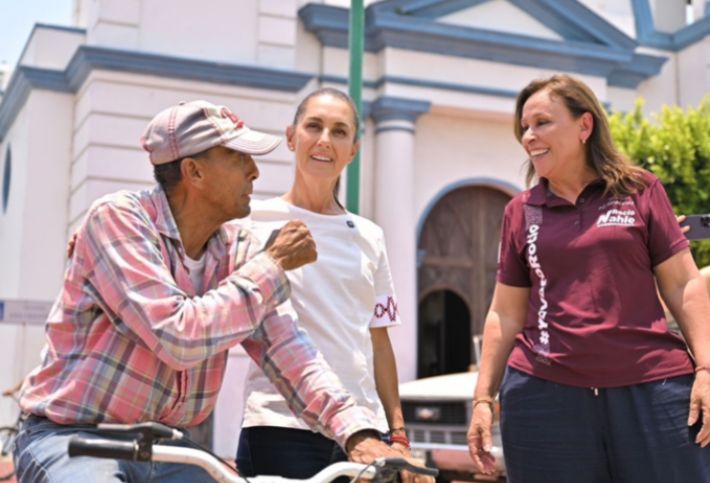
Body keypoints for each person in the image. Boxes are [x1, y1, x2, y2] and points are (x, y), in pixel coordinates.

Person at [12, 100, 404, 482]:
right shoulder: (119, 220)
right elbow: (176, 336)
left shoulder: (239, 249)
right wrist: (272, 265)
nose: (254, 172)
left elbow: (291, 352)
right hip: (75, 437)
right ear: (194, 172)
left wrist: (359, 434)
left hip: (168, 447)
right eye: (239, 158)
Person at [466, 74, 710, 482]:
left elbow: (683, 284)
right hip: (544, 395)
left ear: (585, 125)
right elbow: (505, 314)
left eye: (542, 122)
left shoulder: (640, 190)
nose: (529, 136)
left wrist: (706, 368)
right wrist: (482, 399)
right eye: (524, 127)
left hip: (652, 388)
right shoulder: (520, 211)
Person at [236, 88, 416, 479]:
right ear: (290, 136)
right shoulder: (249, 220)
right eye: (313, 126)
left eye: (339, 132)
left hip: (363, 429)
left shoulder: (369, 235)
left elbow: (378, 341)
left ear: (353, 149)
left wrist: (397, 432)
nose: (324, 140)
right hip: (280, 425)